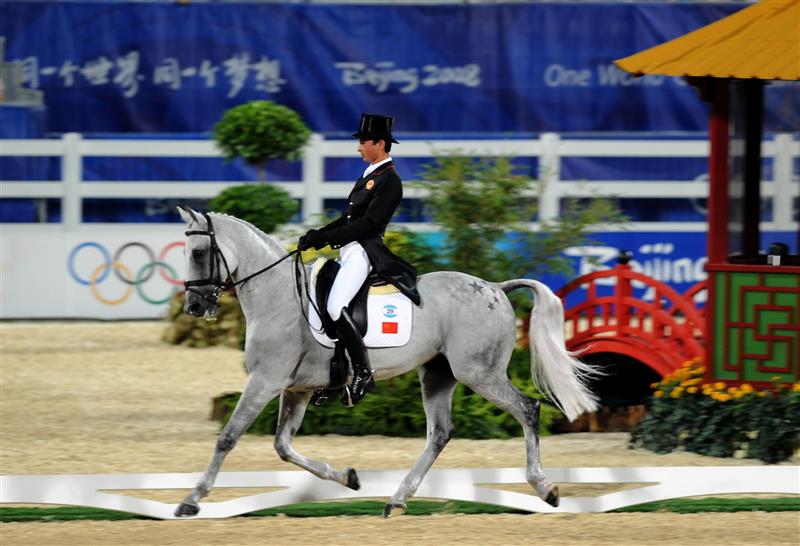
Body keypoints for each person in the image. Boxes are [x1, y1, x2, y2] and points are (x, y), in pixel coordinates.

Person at [299, 113, 420, 406]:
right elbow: (349, 217)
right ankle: (337, 377)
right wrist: (318, 234)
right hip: (349, 250)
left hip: (364, 251)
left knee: (335, 306)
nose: (359, 147)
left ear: (380, 143)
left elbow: (368, 223)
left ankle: (363, 372)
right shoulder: (369, 176)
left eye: (363, 141)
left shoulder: (390, 181)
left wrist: (327, 239)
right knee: (325, 303)